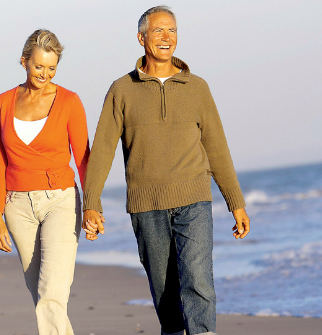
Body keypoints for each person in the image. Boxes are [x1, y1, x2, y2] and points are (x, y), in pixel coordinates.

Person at [82, 6, 250, 335]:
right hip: (146, 205)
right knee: (163, 290)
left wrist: (236, 202)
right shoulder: (121, 90)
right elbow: (103, 148)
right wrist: (92, 202)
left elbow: (216, 147)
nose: (166, 37)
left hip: (194, 199)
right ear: (141, 38)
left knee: (199, 280)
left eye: (172, 31)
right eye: (159, 31)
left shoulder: (197, 87)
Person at [0, 29, 90, 335]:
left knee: (51, 293)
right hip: (17, 208)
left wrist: (93, 207)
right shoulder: (3, 103)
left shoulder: (70, 101)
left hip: (60, 201)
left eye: (52, 68)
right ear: (23, 62)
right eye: (38, 67)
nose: (44, 74)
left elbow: (85, 158)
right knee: (43, 296)